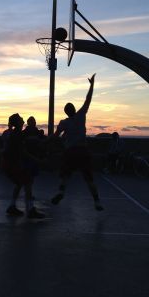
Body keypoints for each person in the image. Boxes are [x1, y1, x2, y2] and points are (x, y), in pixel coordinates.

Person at [51, 74, 104, 211]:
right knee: (89, 179)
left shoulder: (63, 123)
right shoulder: (81, 115)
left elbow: (55, 136)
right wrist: (91, 85)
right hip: (83, 151)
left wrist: (46, 141)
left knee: (65, 175)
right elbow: (88, 99)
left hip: (70, 152)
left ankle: (61, 192)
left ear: (66, 112)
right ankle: (97, 202)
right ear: (74, 109)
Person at [1, 113, 44, 219]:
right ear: (18, 122)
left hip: (8, 164)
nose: (23, 120)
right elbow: (23, 152)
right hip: (12, 164)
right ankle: (30, 210)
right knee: (28, 182)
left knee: (20, 184)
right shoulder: (18, 134)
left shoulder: (16, 133)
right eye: (21, 119)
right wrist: (38, 160)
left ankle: (12, 206)